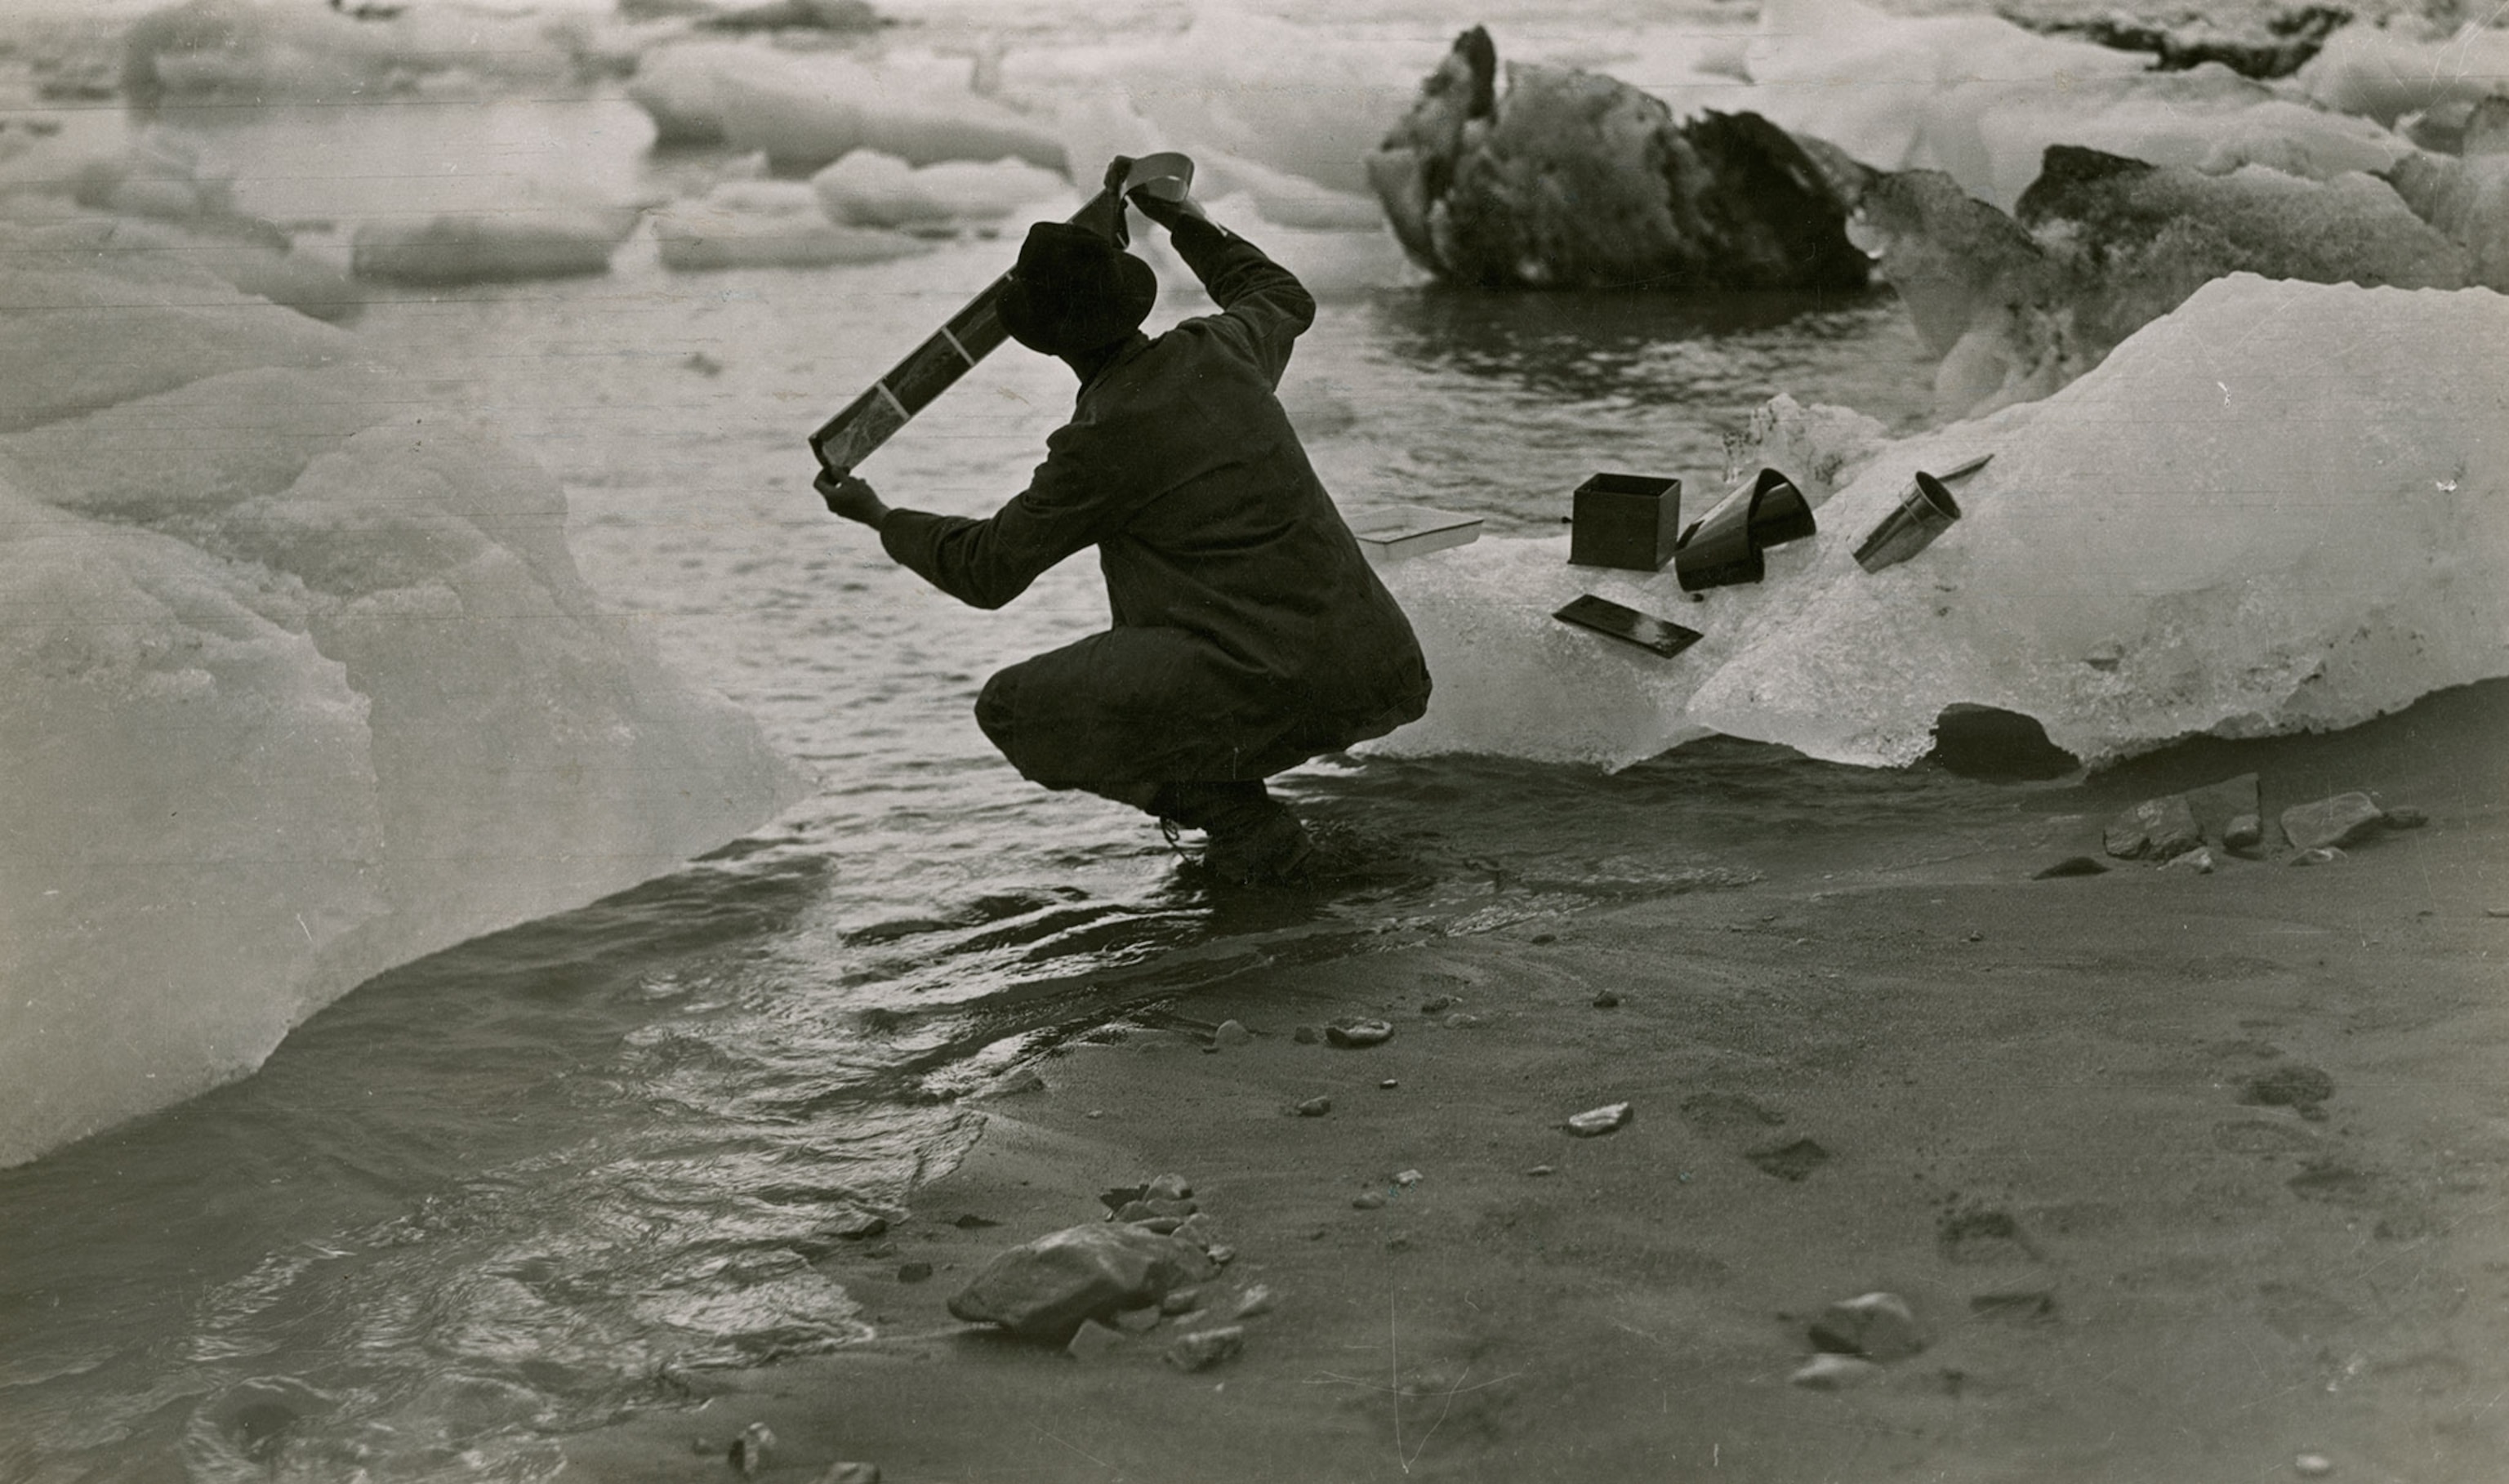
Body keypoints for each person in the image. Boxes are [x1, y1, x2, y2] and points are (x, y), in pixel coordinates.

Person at [817, 180, 1431, 885]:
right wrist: (1180, 215)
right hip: (1378, 665)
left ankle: (1245, 825)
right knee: (1192, 653)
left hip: (1281, 680)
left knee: (1012, 708)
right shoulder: (1221, 346)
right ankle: (1247, 816)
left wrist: (879, 516)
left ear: (1045, 344)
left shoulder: (1101, 440)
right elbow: (1283, 295)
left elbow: (985, 570)